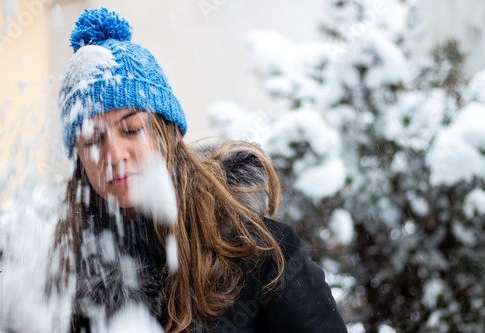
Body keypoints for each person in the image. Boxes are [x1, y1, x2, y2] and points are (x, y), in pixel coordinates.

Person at [49, 7, 347, 333]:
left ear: (168, 135)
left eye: (132, 129)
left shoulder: (263, 254)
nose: (114, 154)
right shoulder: (69, 276)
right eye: (92, 139)